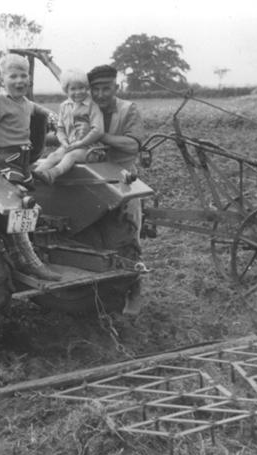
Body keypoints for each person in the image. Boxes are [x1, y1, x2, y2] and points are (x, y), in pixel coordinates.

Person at [0, 53, 61, 281]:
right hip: (5, 160)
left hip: (23, 160)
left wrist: (54, 117)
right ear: (3, 80)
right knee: (20, 205)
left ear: (29, 79)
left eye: (23, 76)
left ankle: (20, 252)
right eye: (13, 76)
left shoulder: (26, 103)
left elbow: (41, 112)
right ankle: (30, 261)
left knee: (27, 204)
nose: (19, 81)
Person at [86, 64, 145, 314]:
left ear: (116, 87)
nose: (100, 94)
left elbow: (132, 145)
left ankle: (136, 291)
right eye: (95, 89)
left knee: (130, 236)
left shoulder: (128, 110)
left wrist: (99, 137)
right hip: (90, 178)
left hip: (122, 178)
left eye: (106, 88)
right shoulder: (86, 108)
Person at [32, 69, 104, 184]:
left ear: (87, 88)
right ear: (66, 90)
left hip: (90, 149)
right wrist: (64, 141)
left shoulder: (92, 106)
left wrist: (80, 143)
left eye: (81, 88)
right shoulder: (64, 106)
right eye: (73, 89)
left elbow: (98, 130)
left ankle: (52, 174)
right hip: (70, 145)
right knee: (53, 155)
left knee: (70, 156)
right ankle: (34, 176)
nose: (78, 92)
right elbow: (60, 129)